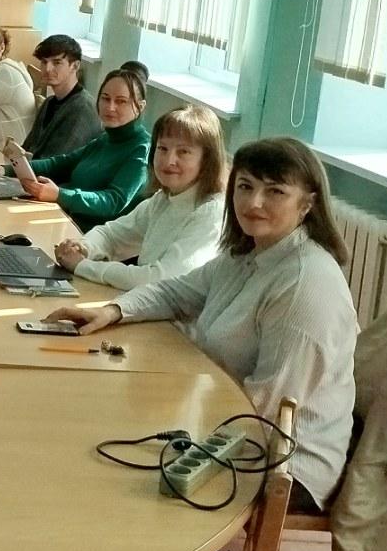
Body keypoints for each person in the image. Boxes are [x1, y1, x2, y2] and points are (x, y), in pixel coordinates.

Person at [47, 137, 359, 512]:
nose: (254, 202)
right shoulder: (248, 253)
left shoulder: (303, 285)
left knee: (119, 477)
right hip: (229, 424)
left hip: (283, 466)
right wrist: (113, 310)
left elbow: (267, 410)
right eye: (245, 186)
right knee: (104, 433)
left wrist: (178, 417)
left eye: (275, 191)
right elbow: (175, 292)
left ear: (307, 204)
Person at [54, 105, 228, 288]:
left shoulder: (211, 213)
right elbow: (112, 235)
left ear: (207, 160)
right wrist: (82, 247)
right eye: (162, 148)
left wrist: (82, 266)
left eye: (183, 152)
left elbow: (160, 280)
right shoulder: (163, 199)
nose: (169, 160)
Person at [15, 63, 151, 230]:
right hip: (63, 219)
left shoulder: (142, 149)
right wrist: (9, 168)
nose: (110, 107)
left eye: (121, 101)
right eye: (105, 98)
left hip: (90, 236)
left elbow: (113, 201)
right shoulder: (105, 139)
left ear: (140, 107)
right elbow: (61, 163)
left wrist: (60, 195)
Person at [23, 34, 103, 158]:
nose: (48, 69)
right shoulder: (49, 102)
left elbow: (58, 160)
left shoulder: (82, 108)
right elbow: (27, 147)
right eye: (44, 62)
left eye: (57, 62)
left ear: (75, 66)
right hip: (32, 167)